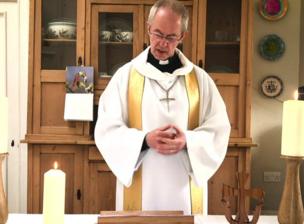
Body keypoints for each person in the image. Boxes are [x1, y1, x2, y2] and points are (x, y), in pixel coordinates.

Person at [94, 0, 230, 215]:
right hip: (141, 183)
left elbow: (219, 129)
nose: (162, 43)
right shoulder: (125, 76)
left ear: (182, 37)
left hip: (184, 187)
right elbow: (106, 129)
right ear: (148, 28)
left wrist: (189, 140)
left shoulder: (200, 80)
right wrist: (144, 140)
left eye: (170, 37)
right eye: (157, 34)